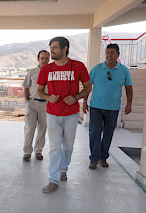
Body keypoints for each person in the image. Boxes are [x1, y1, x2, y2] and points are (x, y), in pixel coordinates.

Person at [37, 36, 92, 194]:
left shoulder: (78, 66)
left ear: (65, 48)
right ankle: (53, 180)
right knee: (54, 147)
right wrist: (48, 97)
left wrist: (76, 97)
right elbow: (40, 90)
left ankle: (63, 169)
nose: (51, 51)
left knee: (68, 146)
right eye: (50, 48)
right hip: (52, 113)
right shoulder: (46, 69)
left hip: (71, 114)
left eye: (54, 47)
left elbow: (88, 87)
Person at [83, 43, 133, 170]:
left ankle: (103, 157)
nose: (109, 55)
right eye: (107, 53)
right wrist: (84, 102)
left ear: (118, 54)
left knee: (108, 134)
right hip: (96, 107)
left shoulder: (124, 71)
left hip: (113, 108)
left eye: (112, 53)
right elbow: (87, 86)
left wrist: (129, 104)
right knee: (94, 132)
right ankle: (94, 159)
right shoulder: (97, 69)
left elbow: (129, 88)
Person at [22, 50, 50, 161]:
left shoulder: (51, 72)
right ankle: (27, 152)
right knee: (30, 128)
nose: (44, 60)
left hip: (45, 105)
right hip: (32, 104)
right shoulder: (32, 72)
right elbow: (25, 86)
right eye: (42, 58)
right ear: (38, 59)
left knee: (42, 129)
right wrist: (27, 101)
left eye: (47, 58)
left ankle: (38, 151)